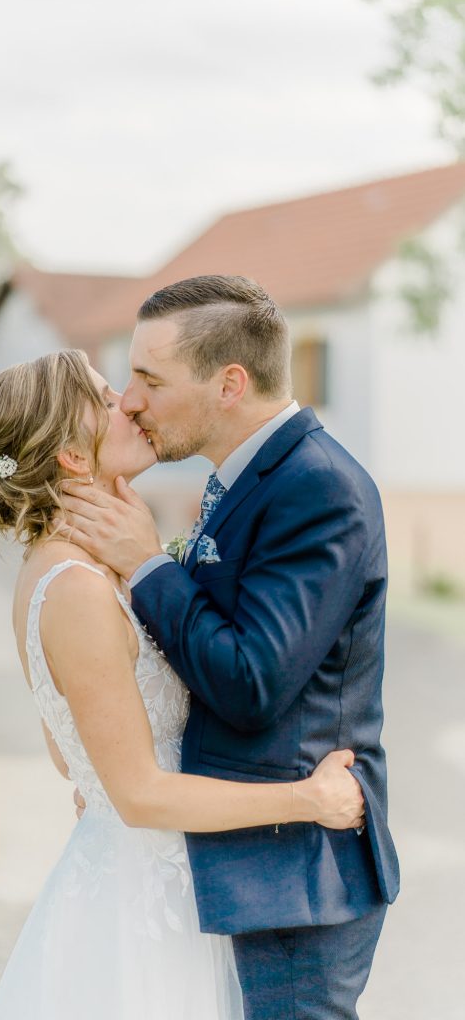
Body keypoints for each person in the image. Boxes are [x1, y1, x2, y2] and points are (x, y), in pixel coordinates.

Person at [0, 348, 365, 1020]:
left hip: (148, 879)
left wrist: (109, 786)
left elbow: (72, 756)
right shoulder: (77, 592)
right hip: (145, 913)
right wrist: (308, 799)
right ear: (71, 455)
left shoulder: (65, 571)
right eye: (103, 397)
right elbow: (140, 795)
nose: (126, 403)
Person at [58, 275, 400, 1020]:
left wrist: (148, 566)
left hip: (295, 880)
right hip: (235, 868)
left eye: (150, 379)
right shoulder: (239, 479)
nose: (128, 401)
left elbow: (251, 681)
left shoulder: (321, 487)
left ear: (229, 384)